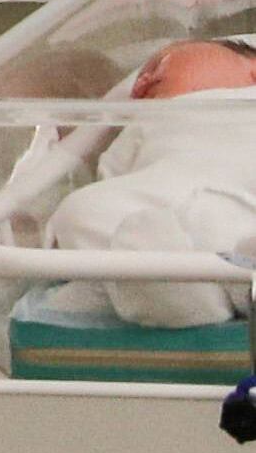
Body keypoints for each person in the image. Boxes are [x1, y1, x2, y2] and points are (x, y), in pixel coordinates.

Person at [46, 35, 256, 326]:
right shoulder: (145, 121)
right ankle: (176, 295)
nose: (144, 79)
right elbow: (113, 174)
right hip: (159, 212)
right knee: (78, 212)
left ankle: (229, 279)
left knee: (237, 235)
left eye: (163, 64)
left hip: (245, 200)